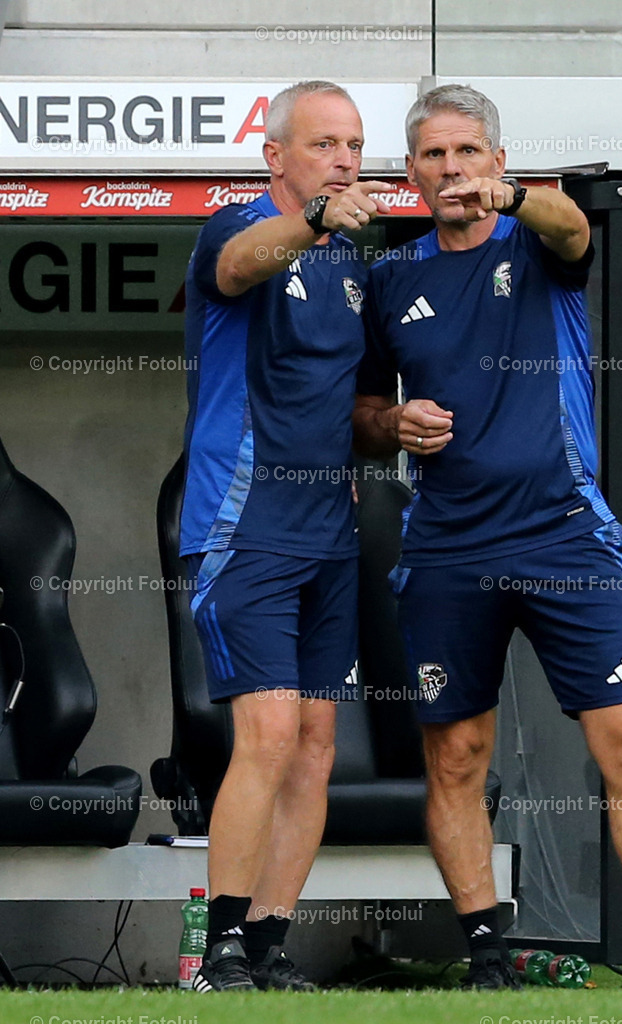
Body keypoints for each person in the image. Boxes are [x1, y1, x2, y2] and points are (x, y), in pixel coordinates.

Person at [353, 84, 622, 991]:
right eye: (434, 156)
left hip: (565, 536)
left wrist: (516, 201)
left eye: (469, 153)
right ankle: (485, 951)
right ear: (410, 173)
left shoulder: (539, 239)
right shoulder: (392, 279)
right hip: (445, 547)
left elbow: (573, 229)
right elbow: (358, 409)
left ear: (499, 162)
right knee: (456, 753)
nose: (453, 171)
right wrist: (392, 426)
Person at [180, 80, 391, 992]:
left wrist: (398, 424)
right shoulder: (234, 229)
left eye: (353, 145)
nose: (344, 159)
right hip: (243, 524)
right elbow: (240, 268)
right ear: (277, 156)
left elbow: (351, 409)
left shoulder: (356, 264)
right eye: (323, 144)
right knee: (264, 733)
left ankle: (266, 948)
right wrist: (314, 218)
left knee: (314, 742)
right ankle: (214, 949)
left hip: (328, 533)